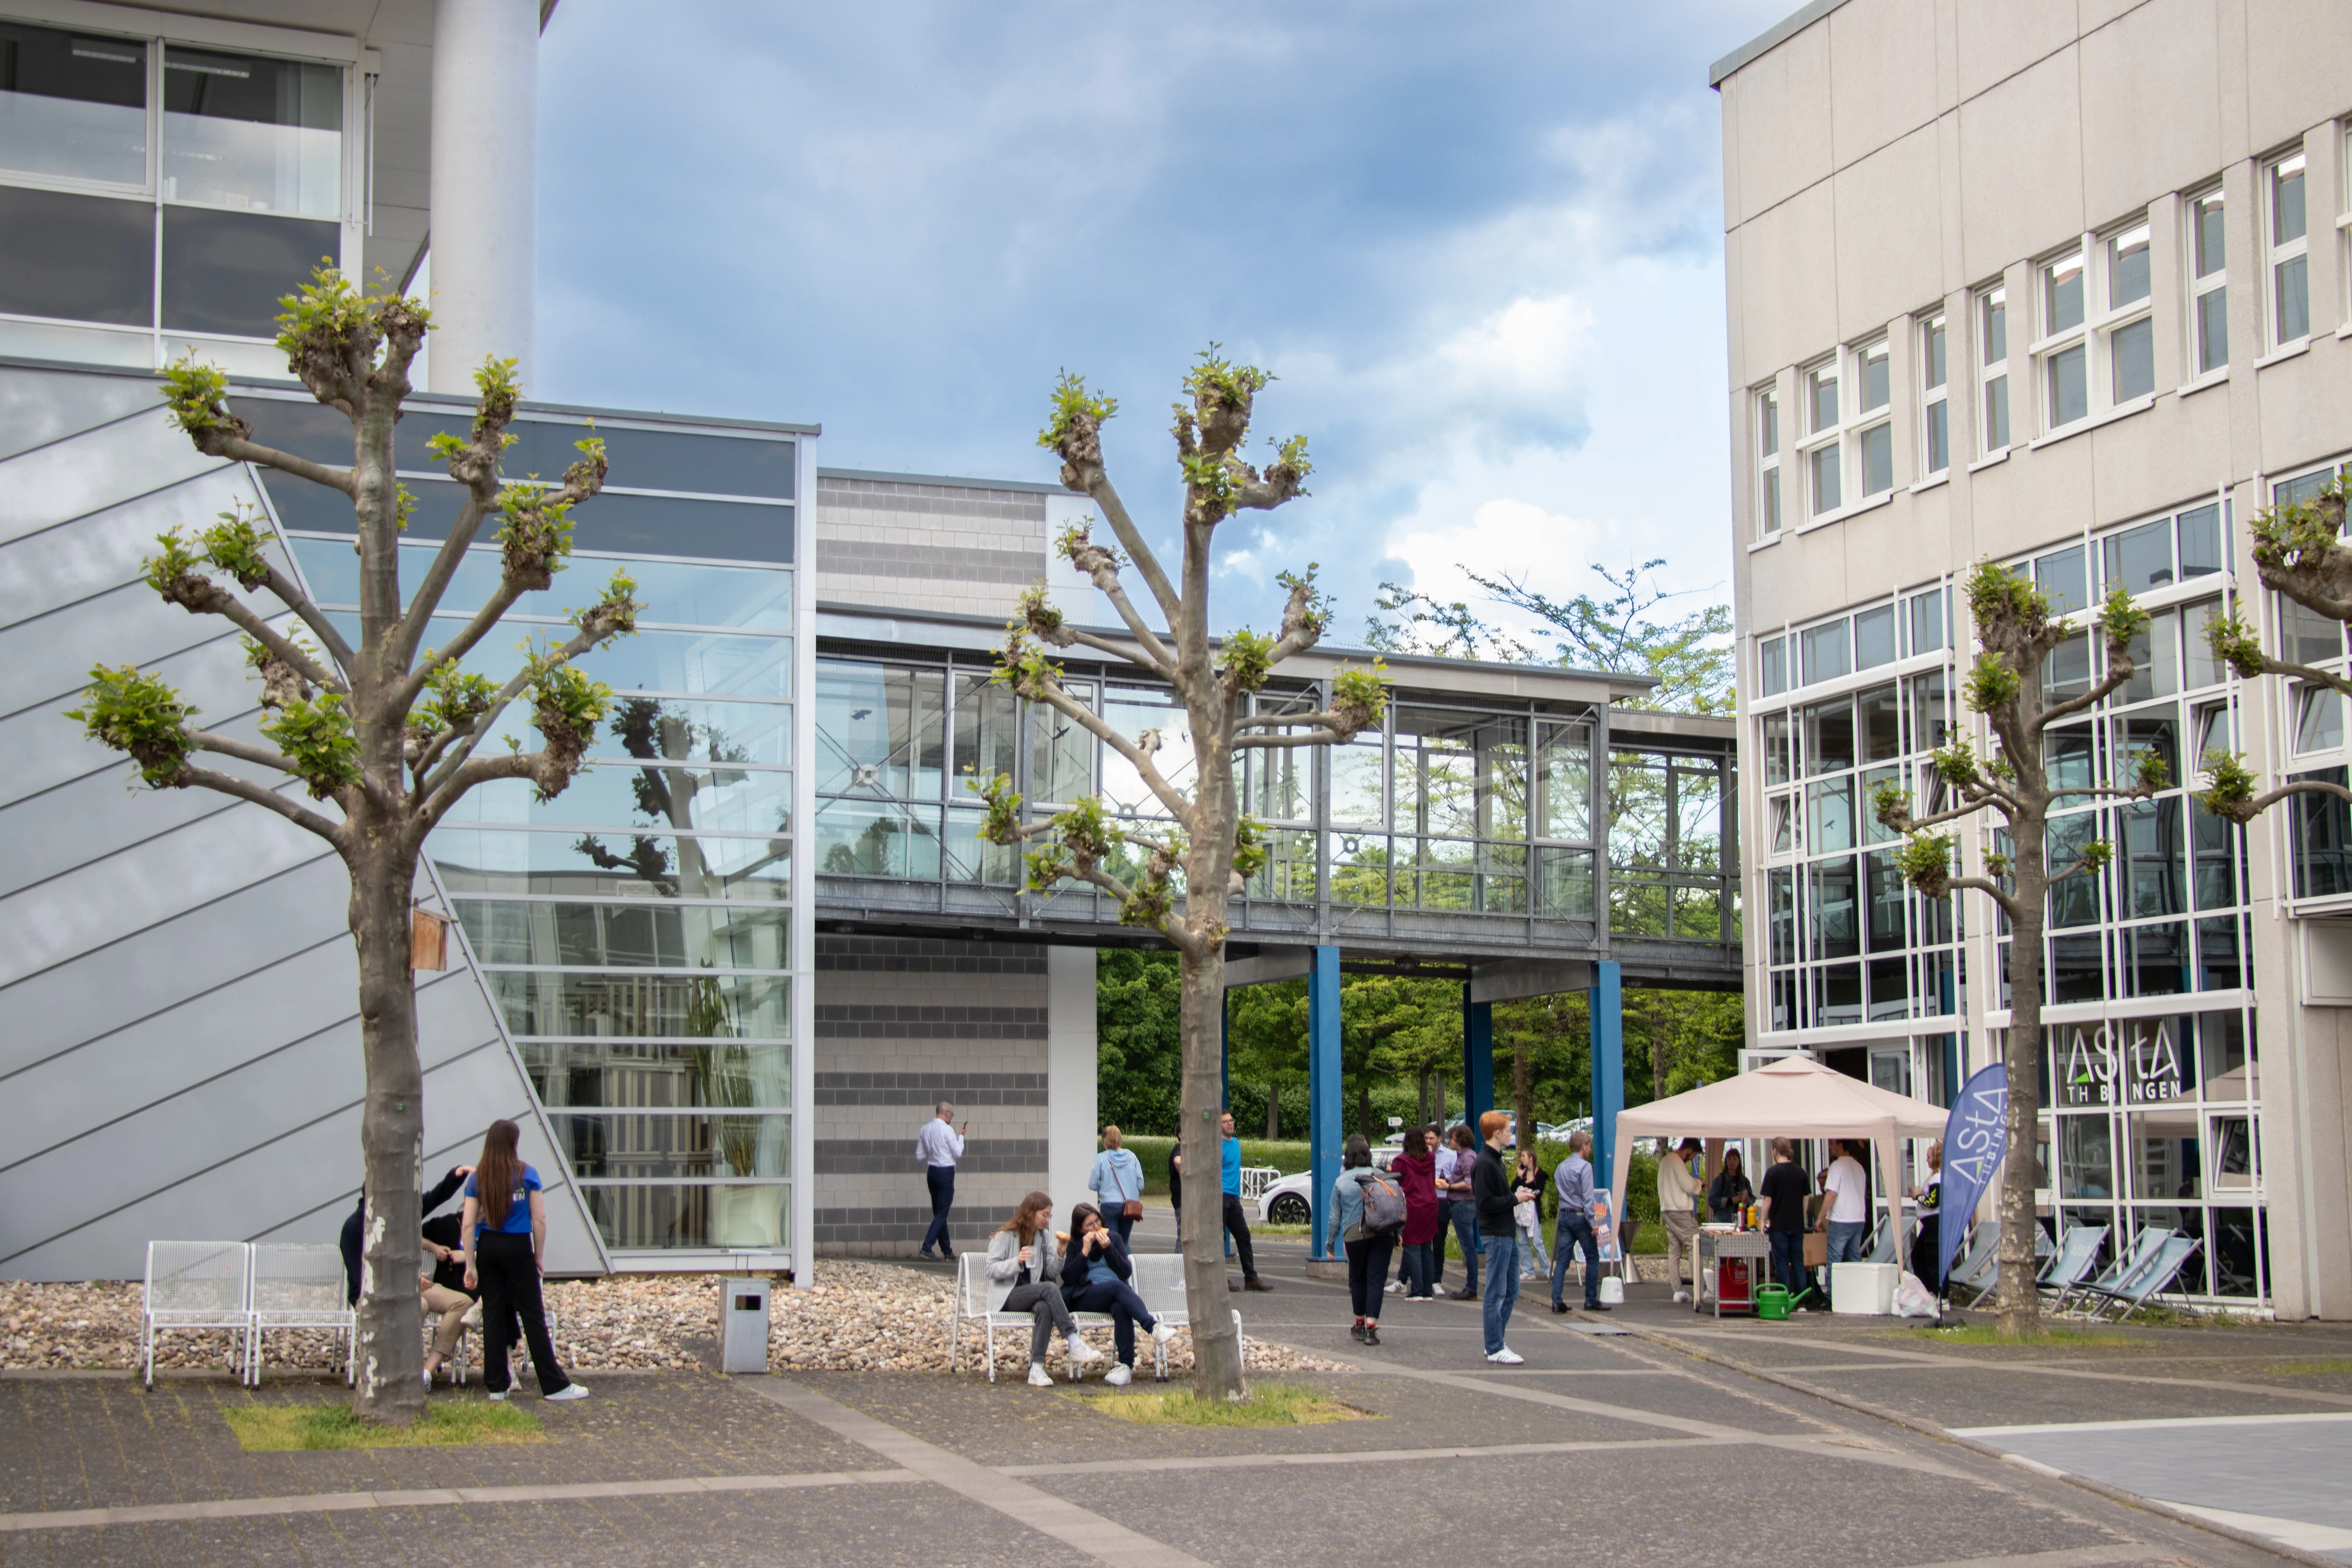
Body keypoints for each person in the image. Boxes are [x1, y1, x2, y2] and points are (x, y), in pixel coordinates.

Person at [459, 1119, 585, 1401]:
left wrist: (470, 1264)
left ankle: (496, 1386)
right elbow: (539, 1219)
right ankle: (554, 1386)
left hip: (489, 1247)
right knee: (532, 1315)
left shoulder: (478, 1178)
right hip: (518, 1247)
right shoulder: (528, 1174)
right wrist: (538, 1257)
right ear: (512, 1144)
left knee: (492, 1315)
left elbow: (468, 1226)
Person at [988, 1191, 1102, 1387]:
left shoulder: (1043, 1236)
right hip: (1008, 1296)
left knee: (1044, 1307)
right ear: (1031, 1212)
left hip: (1032, 1293)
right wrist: (1016, 1262)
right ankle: (1074, 1341)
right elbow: (991, 1269)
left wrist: (1060, 1252)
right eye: (1045, 1215)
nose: (1047, 1221)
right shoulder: (1005, 1235)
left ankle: (1037, 1369)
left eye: (1050, 1216)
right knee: (1049, 1289)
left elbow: (1050, 1272)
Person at [1061, 1202, 1175, 1385]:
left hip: (1114, 1294)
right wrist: (1085, 1251)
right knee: (1115, 1286)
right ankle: (1153, 1327)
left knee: (1121, 1306)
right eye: (1090, 1225)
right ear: (1080, 1229)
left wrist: (1109, 1249)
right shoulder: (1076, 1244)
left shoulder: (1114, 1238)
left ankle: (1126, 1367)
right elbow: (1068, 1277)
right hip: (1086, 1296)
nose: (1096, 1227)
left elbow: (1126, 1271)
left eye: (1097, 1221)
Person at [1472, 1110, 1534, 1363]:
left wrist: (1515, 1191)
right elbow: (1486, 1203)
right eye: (1509, 1130)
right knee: (1496, 1292)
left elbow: (1498, 1196)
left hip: (1506, 1232)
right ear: (1497, 1133)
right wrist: (1515, 1198)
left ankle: (1496, 1340)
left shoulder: (1495, 1160)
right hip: (1496, 1234)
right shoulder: (1485, 1163)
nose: (1511, 1134)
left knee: (1511, 1291)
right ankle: (1495, 1346)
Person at [1328, 1134, 1400, 1344]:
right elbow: (1396, 1205)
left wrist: (1330, 1243)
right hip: (1383, 1234)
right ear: (1369, 1156)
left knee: (1358, 1279)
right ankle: (1372, 1328)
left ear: (1347, 1158)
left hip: (1354, 1235)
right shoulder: (1382, 1176)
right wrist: (1399, 1233)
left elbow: (1334, 1217)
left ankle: (1359, 1324)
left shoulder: (1341, 1182)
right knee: (1377, 1281)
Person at [1550, 1129, 1607, 1313]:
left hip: (1564, 1215)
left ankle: (1557, 1300)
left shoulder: (1561, 1167)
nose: (1590, 1149)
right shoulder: (1585, 1167)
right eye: (1589, 1146)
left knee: (1563, 1261)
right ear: (1583, 1147)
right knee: (1592, 1257)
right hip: (1581, 1216)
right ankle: (1591, 1299)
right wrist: (1593, 1222)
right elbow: (1588, 1198)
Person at [1219, 1112, 1271, 1292]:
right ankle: (1220, 1280)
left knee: (1244, 1235)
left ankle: (1251, 1278)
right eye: (1225, 1122)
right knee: (1219, 1238)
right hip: (1220, 1195)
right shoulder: (1216, 1145)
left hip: (1234, 1197)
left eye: (1231, 1121)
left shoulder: (1236, 1143)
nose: (1230, 1124)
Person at [1757, 1137, 1811, 1302]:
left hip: (1779, 1225)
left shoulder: (1772, 1173)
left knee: (1781, 1264)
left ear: (1774, 1151)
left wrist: (1762, 1221)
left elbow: (1767, 1200)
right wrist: (1801, 1215)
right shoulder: (1800, 1171)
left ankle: (1785, 1300)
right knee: (1798, 1263)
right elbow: (1806, 1198)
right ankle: (1802, 1302)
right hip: (1797, 1225)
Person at [915, 1101, 967, 1259]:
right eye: (952, 1113)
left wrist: (933, 1151)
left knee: (940, 1213)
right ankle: (927, 1247)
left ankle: (947, 1251)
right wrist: (961, 1137)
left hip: (932, 1172)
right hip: (946, 1172)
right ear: (946, 1113)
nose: (952, 1116)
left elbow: (919, 1155)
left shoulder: (925, 1129)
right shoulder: (947, 1129)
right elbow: (958, 1153)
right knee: (942, 1213)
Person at [1394, 1127, 1441, 1301]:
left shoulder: (1402, 1161)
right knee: (1426, 1247)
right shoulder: (1431, 1158)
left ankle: (1417, 1290)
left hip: (1412, 1206)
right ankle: (1428, 1291)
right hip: (1431, 1205)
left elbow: (1394, 1183)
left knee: (1412, 1247)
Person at [1657, 1137, 1704, 1305]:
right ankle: (1700, 1290)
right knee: (1695, 1245)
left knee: (1675, 1250)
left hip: (1667, 1210)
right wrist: (1699, 1183)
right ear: (1689, 1150)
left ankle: (1678, 1290)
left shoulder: (1665, 1160)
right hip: (1681, 1211)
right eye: (1694, 1156)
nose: (1692, 1159)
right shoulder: (1677, 1162)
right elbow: (1689, 1186)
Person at [1088, 1126, 1146, 1244]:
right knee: (1124, 1242)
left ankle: (1114, 1263)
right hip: (1130, 1206)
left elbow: (1092, 1185)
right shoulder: (1132, 1157)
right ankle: (1128, 1262)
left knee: (1111, 1243)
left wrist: (1104, 1185)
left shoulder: (1101, 1158)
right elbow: (1141, 1184)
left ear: (1105, 1140)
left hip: (1109, 1205)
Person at [1819, 1138, 1871, 1269]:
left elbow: (1831, 1194)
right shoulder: (1859, 1166)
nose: (1830, 1147)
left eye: (1832, 1144)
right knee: (1854, 1259)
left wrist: (1820, 1218)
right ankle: (1854, 1289)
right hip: (1858, 1218)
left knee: (1834, 1261)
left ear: (1840, 1146)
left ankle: (1833, 1290)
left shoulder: (1837, 1166)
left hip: (1841, 1219)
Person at [1445, 1124, 1483, 1301]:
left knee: (1468, 1247)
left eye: (1451, 1138)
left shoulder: (1468, 1157)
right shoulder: (1463, 1156)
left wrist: (1450, 1186)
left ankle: (1472, 1287)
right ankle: (1471, 1286)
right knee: (1467, 1246)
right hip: (1460, 1204)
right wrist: (1448, 1180)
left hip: (1464, 1204)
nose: (1449, 1141)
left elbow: (1469, 1183)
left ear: (1459, 1140)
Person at [1906, 1140, 1944, 1292]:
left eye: (1929, 1157)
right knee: (1919, 1256)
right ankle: (1930, 1289)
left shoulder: (1937, 1178)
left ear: (1936, 1158)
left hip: (1934, 1221)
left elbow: (1934, 1202)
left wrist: (1917, 1196)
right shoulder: (1934, 1177)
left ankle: (1940, 1292)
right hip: (1929, 1222)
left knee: (1932, 1257)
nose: (1927, 1160)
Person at [1513, 1147, 1552, 1279]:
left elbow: (1539, 1191)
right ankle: (1529, 1270)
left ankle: (1547, 1270)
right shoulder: (1522, 1174)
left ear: (1531, 1158)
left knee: (1537, 1241)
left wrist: (1526, 1194)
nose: (1522, 1159)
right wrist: (1519, 1176)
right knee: (1523, 1241)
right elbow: (1513, 1190)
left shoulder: (1540, 1174)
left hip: (1533, 1209)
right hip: (1521, 1209)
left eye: (1524, 1156)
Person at [1430, 1127, 1458, 1294]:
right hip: (1426, 1201)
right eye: (1426, 1138)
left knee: (1439, 1242)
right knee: (1422, 1242)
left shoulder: (1450, 1156)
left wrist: (1445, 1181)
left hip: (1442, 1200)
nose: (1429, 1142)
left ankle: (1436, 1280)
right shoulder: (1422, 1155)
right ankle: (1420, 1278)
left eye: (1432, 1138)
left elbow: (1456, 1177)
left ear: (1439, 1139)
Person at [1708, 1147, 1755, 1223]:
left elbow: (1752, 1199)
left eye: (1735, 1159)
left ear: (1739, 1162)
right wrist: (1731, 1200)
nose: (1732, 1162)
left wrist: (1748, 1200)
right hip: (1724, 1221)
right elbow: (1711, 1200)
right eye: (1729, 1159)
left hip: (1742, 1221)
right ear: (1726, 1161)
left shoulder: (1745, 1181)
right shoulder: (1720, 1180)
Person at [1167, 1142, 1185, 1247]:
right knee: (1183, 1236)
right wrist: (1187, 1175)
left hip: (1180, 1198)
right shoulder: (1180, 1148)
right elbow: (1178, 1161)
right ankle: (1179, 1262)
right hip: (1182, 1199)